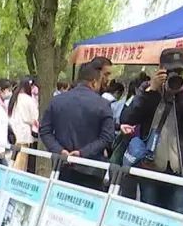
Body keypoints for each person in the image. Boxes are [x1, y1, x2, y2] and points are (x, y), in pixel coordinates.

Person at [120, 48, 183, 214]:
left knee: (178, 220)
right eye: (170, 71)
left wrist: (180, 96)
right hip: (150, 166)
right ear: (160, 68)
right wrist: (151, 91)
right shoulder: (147, 88)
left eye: (179, 71)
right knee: (150, 217)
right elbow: (127, 117)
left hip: (181, 170)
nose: (174, 75)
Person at [38, 62, 122, 191]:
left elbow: (44, 131)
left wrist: (59, 150)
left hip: (62, 165)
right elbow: (107, 137)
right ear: (94, 82)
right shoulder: (103, 105)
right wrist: (82, 153)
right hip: (91, 170)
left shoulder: (57, 101)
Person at [9, 76, 40, 173]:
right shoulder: (29, 100)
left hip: (13, 130)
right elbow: (34, 116)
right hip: (24, 133)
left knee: (13, 158)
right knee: (21, 160)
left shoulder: (15, 97)